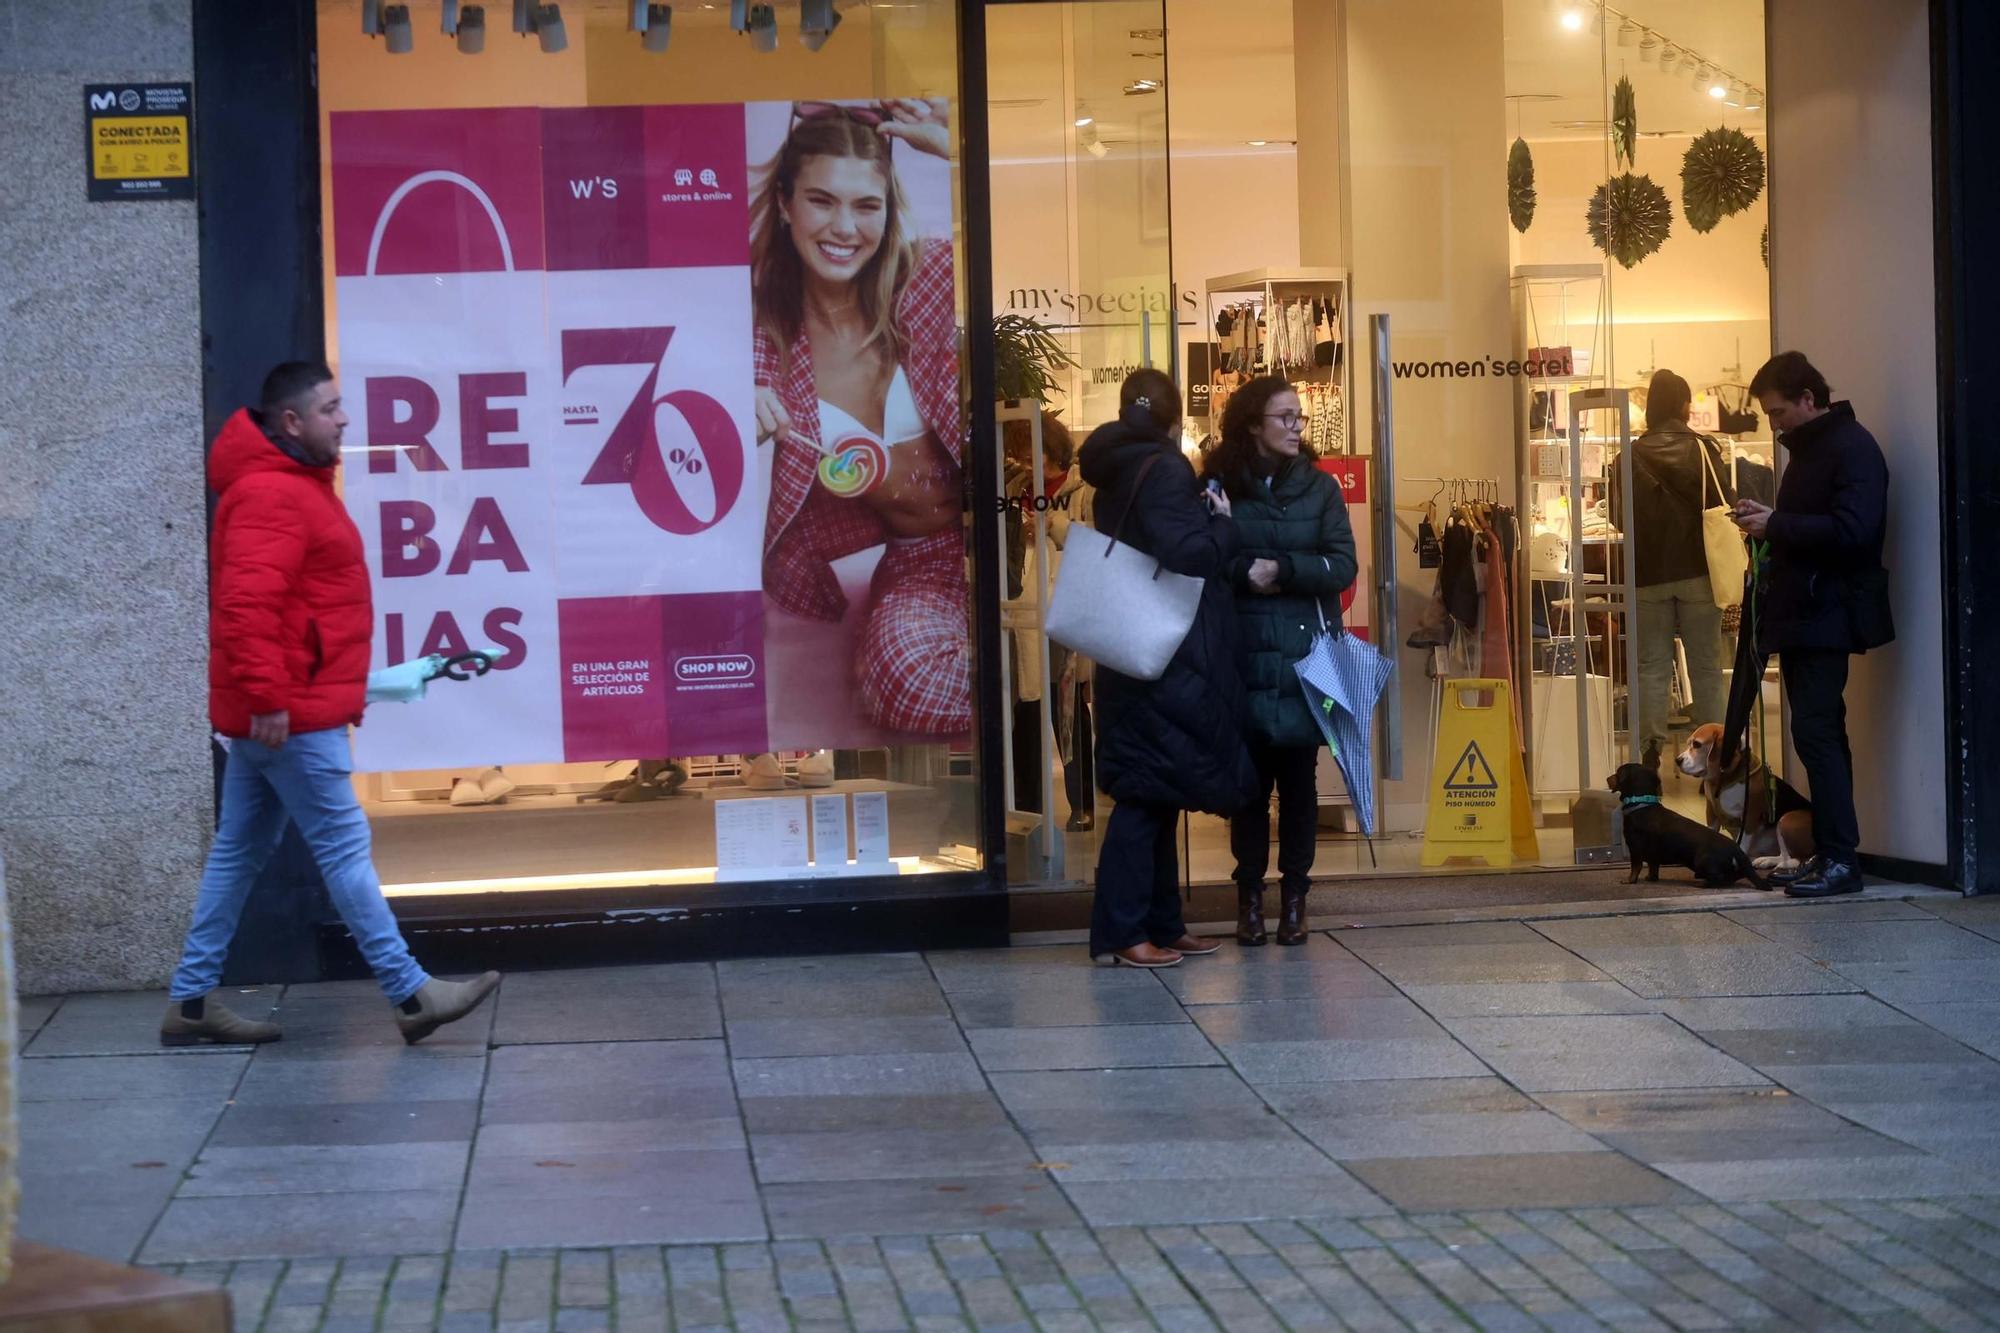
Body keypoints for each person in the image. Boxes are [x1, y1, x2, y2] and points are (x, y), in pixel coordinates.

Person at [164, 363, 501, 1047]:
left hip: (282, 708)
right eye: (331, 408)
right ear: (292, 422)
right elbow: (246, 605)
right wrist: (267, 697)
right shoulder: (272, 494)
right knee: (344, 849)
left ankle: (191, 1002)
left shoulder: (288, 487)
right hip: (289, 713)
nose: (345, 419)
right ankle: (411, 993)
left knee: (237, 854)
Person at [750, 99, 969, 737]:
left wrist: (960, 155)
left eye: (866, 205)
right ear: (786, 204)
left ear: (889, 212)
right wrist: (736, 398)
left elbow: (1019, 254)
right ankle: (1033, 683)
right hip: (921, 562)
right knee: (904, 681)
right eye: (822, 200)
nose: (844, 227)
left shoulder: (928, 279)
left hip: (1006, 543)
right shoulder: (766, 335)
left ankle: (1037, 675)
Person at [1079, 369, 1260, 967]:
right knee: (1146, 794)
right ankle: (1126, 931)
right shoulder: (1163, 469)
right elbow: (1189, 553)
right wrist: (1222, 523)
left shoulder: (1117, 465)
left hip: (1134, 641)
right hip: (1163, 648)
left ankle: (1160, 921)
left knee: (1157, 789)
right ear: (1175, 418)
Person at [1202, 375, 1356, 946]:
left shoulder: (1319, 489)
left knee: (1298, 784)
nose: (1296, 427)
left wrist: (1282, 570)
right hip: (1240, 655)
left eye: (1299, 417)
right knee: (1246, 788)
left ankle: (1295, 899)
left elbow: (1342, 566)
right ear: (1252, 425)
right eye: (1284, 417)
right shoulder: (1220, 487)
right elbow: (1202, 564)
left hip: (1303, 660)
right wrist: (1230, 547)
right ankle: (1247, 900)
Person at [1732, 351, 1892, 898]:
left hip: (1826, 612)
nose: (1774, 424)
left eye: (1778, 412)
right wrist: (1769, 524)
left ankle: (1841, 858)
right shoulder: (1820, 449)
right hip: (1810, 613)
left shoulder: (1848, 448)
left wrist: (1776, 522)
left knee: (1818, 733)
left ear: (1808, 398)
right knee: (1815, 733)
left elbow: (1854, 530)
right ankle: (1832, 853)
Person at [1607, 369, 1735, 758]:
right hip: (1699, 571)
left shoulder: (1627, 456)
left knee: (1650, 667)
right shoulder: (1702, 449)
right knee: (1707, 667)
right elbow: (1722, 503)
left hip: (1647, 576)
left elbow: (1616, 515)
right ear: (1682, 405)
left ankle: (1649, 753)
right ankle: (1715, 752)